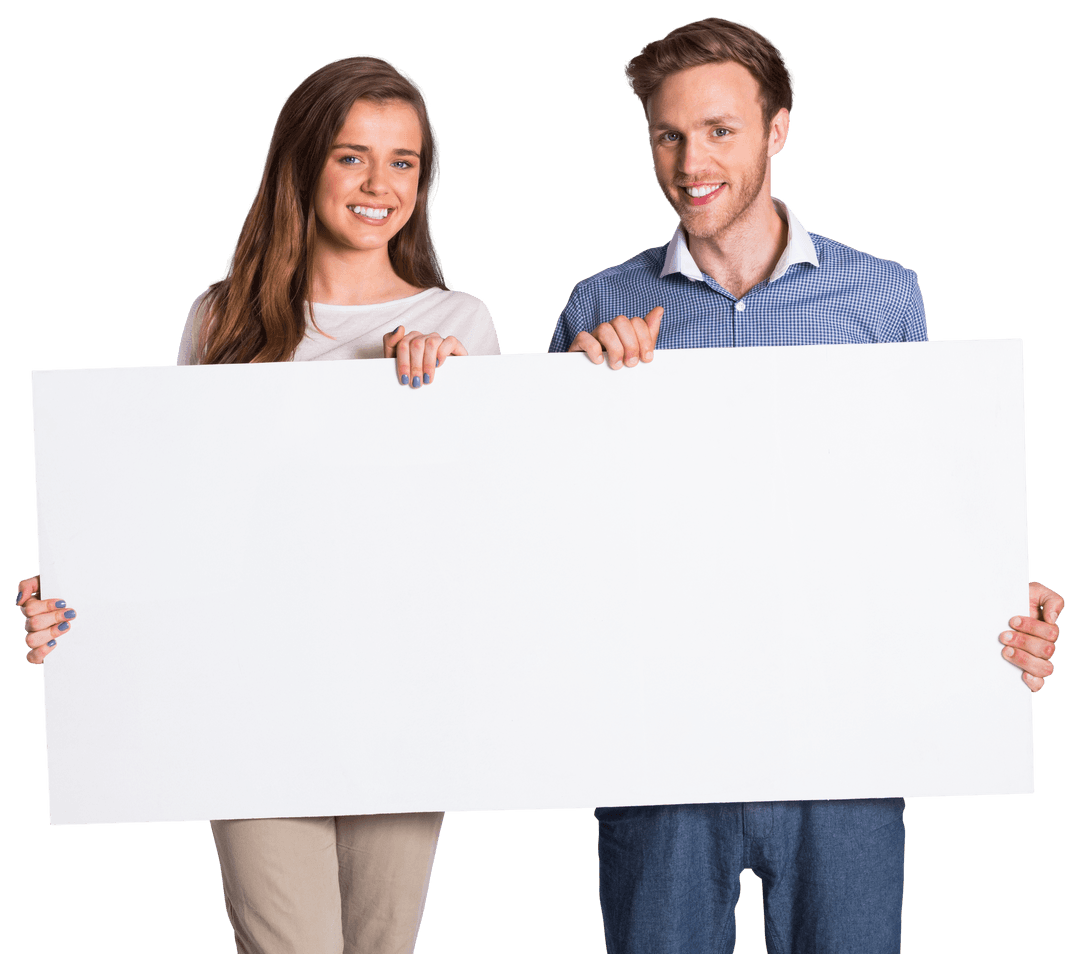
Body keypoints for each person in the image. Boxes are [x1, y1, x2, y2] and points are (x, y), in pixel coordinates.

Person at [548, 18, 1064, 954]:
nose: (690, 161)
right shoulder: (600, 306)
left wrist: (994, 598)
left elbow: (923, 504)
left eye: (720, 131)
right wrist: (580, 401)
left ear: (777, 131)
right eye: (668, 135)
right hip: (666, 746)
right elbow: (554, 539)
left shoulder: (884, 298)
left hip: (847, 747)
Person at [17, 54, 500, 954]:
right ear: (303, 163)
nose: (379, 183)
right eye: (352, 155)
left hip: (398, 689)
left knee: (382, 946)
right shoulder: (222, 318)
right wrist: (83, 605)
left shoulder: (459, 324)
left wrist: (458, 401)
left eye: (403, 161)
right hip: (246, 689)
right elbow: (173, 520)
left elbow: (477, 532)